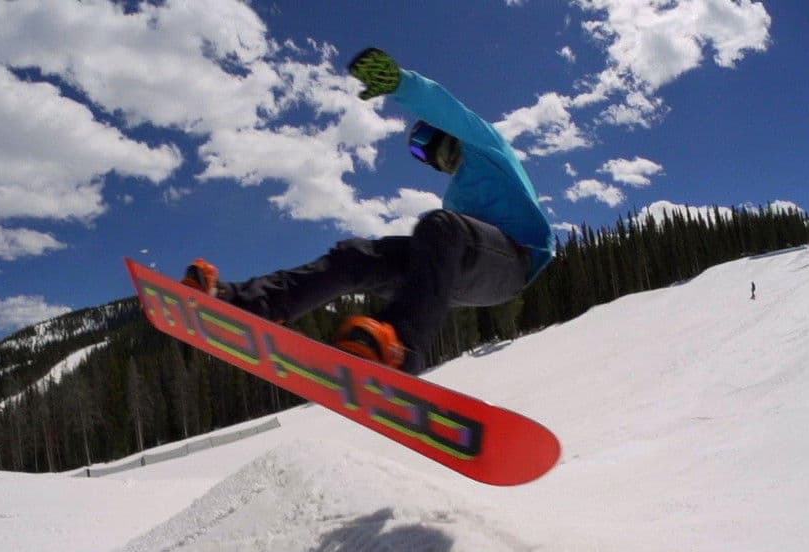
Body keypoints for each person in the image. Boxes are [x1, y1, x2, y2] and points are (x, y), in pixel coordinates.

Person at [184, 48, 556, 373]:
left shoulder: (486, 148)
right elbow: (434, 268)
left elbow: (447, 109)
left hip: (514, 264)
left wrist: (401, 83)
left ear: (448, 134)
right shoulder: (456, 198)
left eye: (429, 144)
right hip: (466, 271)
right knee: (356, 256)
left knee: (441, 226)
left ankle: (399, 345)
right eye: (422, 155)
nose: (431, 157)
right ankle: (244, 303)